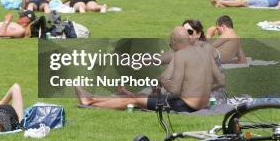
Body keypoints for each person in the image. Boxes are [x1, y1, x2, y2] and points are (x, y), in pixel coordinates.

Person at [76, 27, 225, 112]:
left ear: (174, 42)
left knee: (133, 100)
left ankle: (90, 100)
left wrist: (161, 83)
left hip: (184, 106)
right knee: (139, 96)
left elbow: (171, 85)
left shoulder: (180, 56)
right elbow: (220, 81)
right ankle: (91, 99)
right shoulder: (203, 52)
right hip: (200, 104)